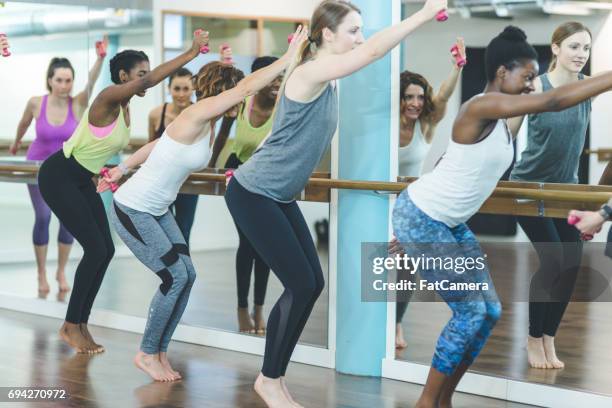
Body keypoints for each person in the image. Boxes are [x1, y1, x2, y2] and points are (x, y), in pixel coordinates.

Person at [224, 0, 448, 406]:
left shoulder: (320, 75)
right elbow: (374, 52)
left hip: (278, 195)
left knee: (312, 283)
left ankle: (272, 377)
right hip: (253, 192)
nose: (360, 38)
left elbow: (360, 52)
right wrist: (424, 13)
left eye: (361, 30)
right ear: (327, 34)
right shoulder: (312, 72)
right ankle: (269, 379)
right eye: (353, 30)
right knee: (301, 283)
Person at [393, 25, 612, 408]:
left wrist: (410, 228)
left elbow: (451, 164)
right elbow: (553, 101)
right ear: (501, 73)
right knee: (469, 311)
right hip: (424, 216)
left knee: (489, 310)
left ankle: (444, 399)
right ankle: (427, 403)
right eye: (527, 78)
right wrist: (410, 224)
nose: (531, 85)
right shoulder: (481, 105)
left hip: (442, 221)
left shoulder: (500, 123)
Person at [97, 26, 308, 383]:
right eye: (237, 94)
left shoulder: (205, 123)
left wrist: (121, 167)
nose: (243, 100)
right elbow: (245, 88)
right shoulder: (198, 113)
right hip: (133, 209)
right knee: (174, 276)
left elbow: (158, 145)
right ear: (223, 93)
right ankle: (147, 352)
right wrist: (288, 59)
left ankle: (159, 352)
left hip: (157, 210)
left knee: (188, 275)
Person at [36, 31, 209, 354]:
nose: (146, 80)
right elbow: (148, 84)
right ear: (123, 77)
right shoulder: (108, 96)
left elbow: (97, 147)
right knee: (96, 249)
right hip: (58, 176)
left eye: (147, 73)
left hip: (80, 179)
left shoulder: (126, 108)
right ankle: (71, 324)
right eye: (141, 74)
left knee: (105, 250)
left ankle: (78, 323)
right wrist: (190, 53)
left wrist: (106, 169)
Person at [506, 22, 593, 369]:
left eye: (585, 48)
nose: (580, 54)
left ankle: (549, 340)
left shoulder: (588, 87)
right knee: (554, 260)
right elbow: (506, 134)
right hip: (527, 189)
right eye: (573, 46)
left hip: (564, 192)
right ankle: (531, 337)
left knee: (570, 265)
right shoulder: (535, 89)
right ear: (555, 48)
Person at [10, 38, 107, 294]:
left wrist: (99, 59)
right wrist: (16, 143)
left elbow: (92, 82)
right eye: (59, 80)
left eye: (68, 80)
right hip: (37, 167)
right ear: (50, 80)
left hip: (66, 172)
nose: (64, 85)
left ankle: (61, 271)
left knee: (67, 222)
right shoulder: (35, 103)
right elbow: (23, 123)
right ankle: (41, 274)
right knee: (42, 217)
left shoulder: (77, 103)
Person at [395, 40, 466, 349]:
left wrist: (456, 67)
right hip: (377, 201)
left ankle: (396, 323)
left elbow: (443, 95)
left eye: (419, 97)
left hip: (410, 206)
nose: (416, 103)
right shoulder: (385, 125)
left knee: (406, 269)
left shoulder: (425, 124)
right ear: (398, 98)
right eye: (409, 97)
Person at [210, 56, 281, 335]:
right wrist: (210, 167)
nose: (277, 83)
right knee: (248, 242)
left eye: (280, 77)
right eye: (272, 78)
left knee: (264, 246)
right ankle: (242, 308)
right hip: (238, 174)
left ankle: (259, 308)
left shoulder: (284, 107)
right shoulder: (241, 104)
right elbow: (222, 135)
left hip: (268, 178)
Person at [148, 68, 199, 245]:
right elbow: (150, 150)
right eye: (177, 88)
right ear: (168, 89)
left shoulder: (201, 115)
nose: (181, 94)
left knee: (183, 231)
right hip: (161, 183)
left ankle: (183, 272)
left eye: (186, 89)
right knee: (161, 233)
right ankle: (166, 273)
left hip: (189, 183)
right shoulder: (156, 114)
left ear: (193, 90)